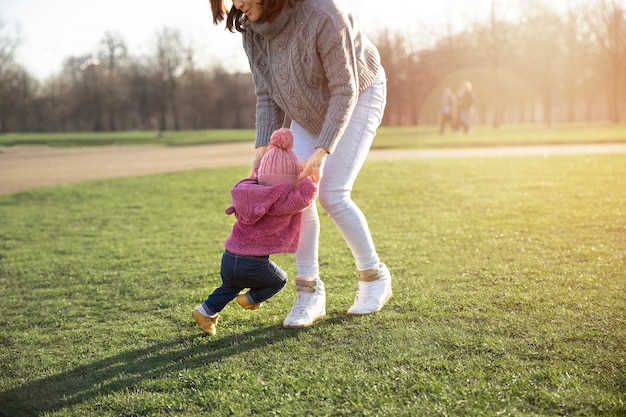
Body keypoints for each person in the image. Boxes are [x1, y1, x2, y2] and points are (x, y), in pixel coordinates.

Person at [208, 0, 392, 328]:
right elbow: (266, 95)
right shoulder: (251, 30)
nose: (237, 3)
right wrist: (261, 149)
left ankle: (374, 277)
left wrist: (322, 151)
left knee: (331, 193)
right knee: (295, 194)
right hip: (306, 108)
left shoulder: (323, 13)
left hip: (359, 93)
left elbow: (344, 89)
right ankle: (310, 292)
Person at [192, 128, 318, 335]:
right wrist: (307, 176)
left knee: (230, 286)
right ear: (290, 179)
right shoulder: (282, 199)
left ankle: (205, 312)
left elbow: (250, 180)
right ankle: (250, 299)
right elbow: (305, 197)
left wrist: (258, 172)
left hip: (229, 257)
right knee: (280, 280)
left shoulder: (246, 192)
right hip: (253, 264)